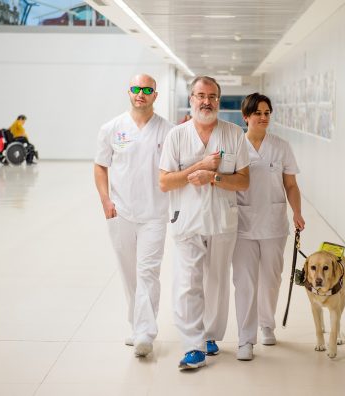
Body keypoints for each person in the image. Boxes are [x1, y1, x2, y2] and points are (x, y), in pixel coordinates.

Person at [159, 76, 250, 370]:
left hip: (222, 219)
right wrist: (198, 167)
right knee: (187, 282)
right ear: (191, 99)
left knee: (217, 281)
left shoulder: (235, 134)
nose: (206, 101)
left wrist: (214, 177)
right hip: (186, 220)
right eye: (200, 95)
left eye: (212, 96)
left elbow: (244, 181)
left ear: (219, 101)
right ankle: (192, 345)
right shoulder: (176, 135)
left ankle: (211, 335)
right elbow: (164, 182)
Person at [94, 74, 174, 358]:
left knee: (148, 272)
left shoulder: (168, 131)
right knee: (130, 274)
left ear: (155, 95)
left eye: (147, 90)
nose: (141, 94)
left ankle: (145, 333)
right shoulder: (112, 128)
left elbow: (175, 171)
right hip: (120, 212)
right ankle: (137, 323)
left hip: (155, 213)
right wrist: (105, 200)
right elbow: (101, 166)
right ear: (129, 92)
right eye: (136, 89)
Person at [231, 93, 305, 361]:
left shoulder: (281, 146)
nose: (263, 118)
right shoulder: (236, 145)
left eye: (267, 113)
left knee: (271, 278)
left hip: (274, 224)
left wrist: (297, 211)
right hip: (242, 224)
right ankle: (245, 339)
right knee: (244, 282)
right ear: (246, 117)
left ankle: (267, 324)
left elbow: (291, 185)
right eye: (258, 113)